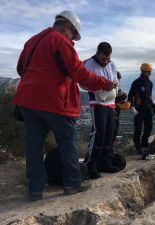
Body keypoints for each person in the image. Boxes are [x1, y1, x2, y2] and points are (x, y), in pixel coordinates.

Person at [13, 10, 117, 201]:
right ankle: (72, 184)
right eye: (74, 36)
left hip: (27, 101)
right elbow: (79, 73)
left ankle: (35, 191)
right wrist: (105, 83)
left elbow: (21, 68)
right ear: (68, 28)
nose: (73, 41)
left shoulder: (33, 41)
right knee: (67, 141)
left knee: (34, 147)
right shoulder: (60, 42)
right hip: (54, 102)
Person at [84, 42, 120, 179]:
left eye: (107, 59)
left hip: (110, 103)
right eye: (103, 59)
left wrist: (115, 85)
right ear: (97, 53)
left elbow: (116, 79)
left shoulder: (112, 64)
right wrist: (104, 84)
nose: (105, 62)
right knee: (99, 134)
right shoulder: (89, 65)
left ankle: (104, 162)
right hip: (97, 102)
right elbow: (85, 83)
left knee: (110, 134)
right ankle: (90, 164)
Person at [128, 63, 155, 153]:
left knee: (149, 127)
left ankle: (144, 142)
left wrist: (153, 106)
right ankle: (137, 146)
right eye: (148, 72)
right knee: (138, 128)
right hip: (138, 109)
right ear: (142, 71)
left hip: (147, 108)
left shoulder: (150, 83)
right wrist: (132, 107)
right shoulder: (136, 82)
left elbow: (149, 96)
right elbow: (130, 96)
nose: (149, 74)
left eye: (150, 72)